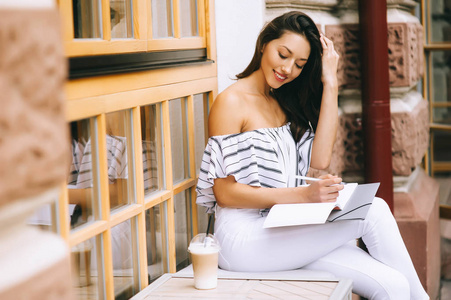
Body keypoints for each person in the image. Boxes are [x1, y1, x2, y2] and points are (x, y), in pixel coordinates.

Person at [196, 11, 429, 300]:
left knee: (394, 286)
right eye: (283, 54)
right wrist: (304, 196)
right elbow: (225, 193)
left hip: (280, 228)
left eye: (299, 64)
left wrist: (331, 81)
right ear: (263, 45)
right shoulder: (231, 102)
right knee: (373, 208)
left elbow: (319, 160)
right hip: (241, 240)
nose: (288, 68)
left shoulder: (281, 101)